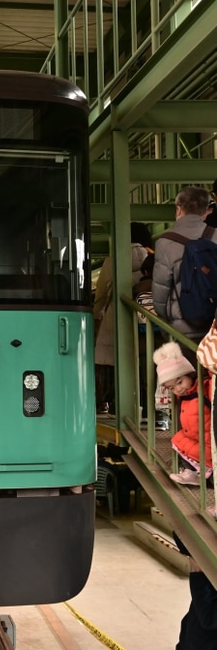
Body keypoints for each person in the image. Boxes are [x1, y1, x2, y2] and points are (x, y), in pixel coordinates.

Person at [93, 222, 153, 413]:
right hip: (144, 317)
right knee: (141, 359)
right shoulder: (150, 256)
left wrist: (97, 313)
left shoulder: (113, 260)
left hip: (115, 316)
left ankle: (116, 402)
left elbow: (101, 293)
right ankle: (144, 403)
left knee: (113, 360)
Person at [153, 185, 217, 341]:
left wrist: (167, 323)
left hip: (182, 330)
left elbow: (160, 294)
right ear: (205, 210)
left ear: (178, 209)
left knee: (186, 365)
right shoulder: (216, 236)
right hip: (213, 330)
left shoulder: (165, 242)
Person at [153, 341, 213, 486]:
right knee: (178, 440)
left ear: (191, 374)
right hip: (195, 439)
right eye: (172, 388)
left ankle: (205, 475)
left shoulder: (204, 388)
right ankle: (193, 473)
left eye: (180, 382)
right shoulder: (183, 397)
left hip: (209, 442)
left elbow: (213, 377)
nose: (178, 389)